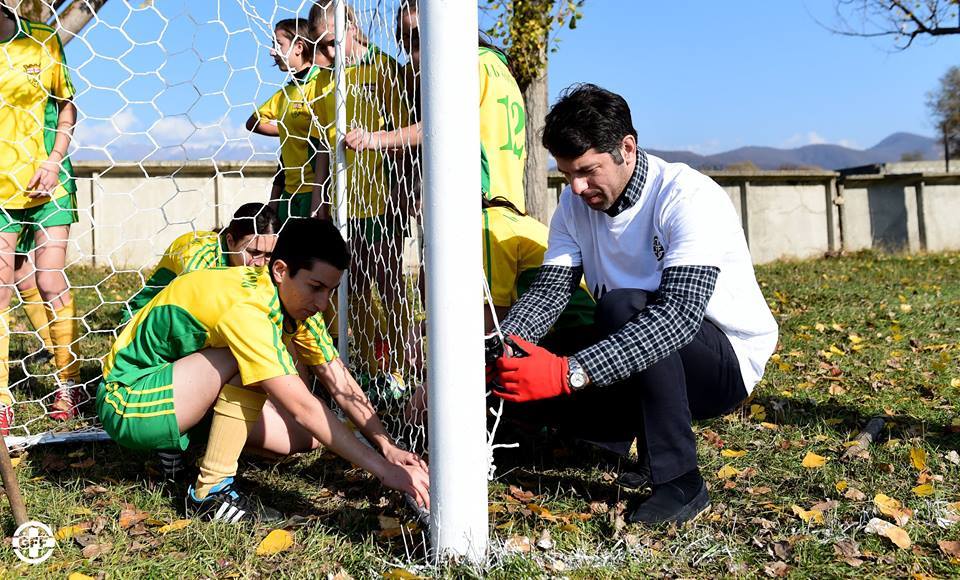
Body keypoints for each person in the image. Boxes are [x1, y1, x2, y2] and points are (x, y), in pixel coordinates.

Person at [488, 84, 778, 524]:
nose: (577, 187)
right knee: (536, 352)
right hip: (637, 353)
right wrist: (502, 350)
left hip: (722, 363)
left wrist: (569, 373)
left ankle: (681, 481)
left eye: (587, 170)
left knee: (622, 308)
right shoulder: (573, 203)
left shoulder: (686, 196)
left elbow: (677, 318)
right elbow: (549, 293)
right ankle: (595, 443)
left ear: (627, 147)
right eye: (567, 174)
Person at [96, 218, 429, 522]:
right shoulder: (247, 308)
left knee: (307, 440)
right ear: (281, 270)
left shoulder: (290, 302)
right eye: (316, 287)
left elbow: (337, 376)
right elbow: (302, 405)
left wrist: (386, 445)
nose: (324, 304)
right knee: (244, 361)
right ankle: (208, 491)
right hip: (128, 402)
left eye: (331, 291)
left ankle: (185, 442)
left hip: (181, 389)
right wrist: (384, 471)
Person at [406, 195, 597, 424]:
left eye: (415, 206)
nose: (417, 218)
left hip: (571, 341)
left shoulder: (486, 228)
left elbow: (493, 324)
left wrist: (437, 377)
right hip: (571, 335)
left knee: (435, 395)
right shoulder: (496, 218)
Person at [309, 1, 414, 391]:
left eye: (335, 42)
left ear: (354, 28)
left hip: (382, 198)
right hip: (342, 202)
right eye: (322, 45)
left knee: (388, 282)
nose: (330, 54)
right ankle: (371, 366)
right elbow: (321, 146)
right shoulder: (323, 81)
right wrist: (320, 199)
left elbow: (407, 137)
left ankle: (405, 364)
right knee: (352, 283)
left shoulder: (385, 70)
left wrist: (404, 194)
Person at [344, 0, 529, 213]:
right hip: (509, 202)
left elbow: (442, 126)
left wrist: (377, 139)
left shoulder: (466, 64)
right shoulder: (495, 62)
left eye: (417, 34)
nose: (409, 43)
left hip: (482, 204)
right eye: (403, 36)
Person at [0, 8, 81, 433]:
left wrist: (53, 161)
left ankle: (66, 381)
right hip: (0, 188)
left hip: (47, 178)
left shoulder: (41, 39)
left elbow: (67, 107)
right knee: (4, 289)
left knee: (49, 279)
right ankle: (1, 401)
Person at [124, 203, 281, 319]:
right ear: (230, 241)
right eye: (253, 252)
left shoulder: (266, 265)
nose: (261, 263)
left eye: (268, 255)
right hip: (144, 320)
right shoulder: (197, 253)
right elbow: (194, 311)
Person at [247, 18, 332, 223]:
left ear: (299, 47)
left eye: (278, 44)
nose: (272, 51)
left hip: (316, 192)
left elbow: (327, 142)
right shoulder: (286, 92)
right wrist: (286, 130)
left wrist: (320, 196)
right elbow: (252, 122)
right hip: (289, 193)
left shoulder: (320, 85)